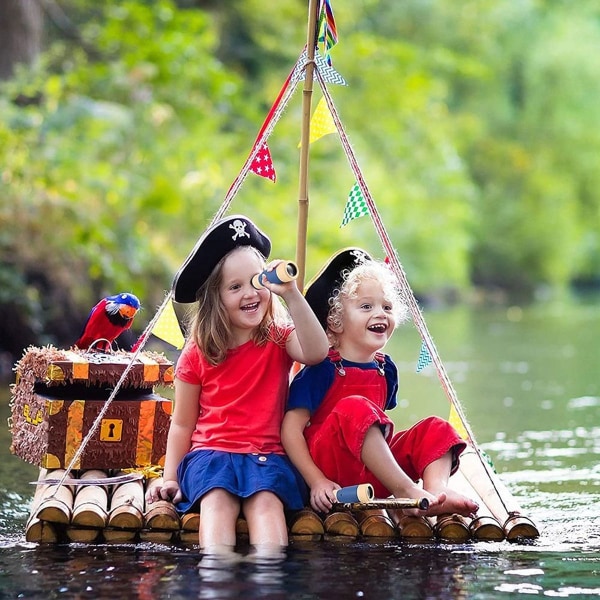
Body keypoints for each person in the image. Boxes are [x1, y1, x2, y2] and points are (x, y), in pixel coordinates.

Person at [146, 214, 329, 558]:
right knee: (217, 501)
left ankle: (268, 576)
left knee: (267, 505)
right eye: (235, 287)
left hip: (267, 456)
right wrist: (170, 476)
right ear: (215, 298)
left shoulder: (278, 335)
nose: (250, 293)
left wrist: (291, 295)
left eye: (257, 282)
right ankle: (217, 573)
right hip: (211, 454)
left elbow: (317, 353)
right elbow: (182, 423)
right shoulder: (199, 350)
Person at [281, 247, 479, 518]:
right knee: (356, 408)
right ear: (336, 321)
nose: (380, 314)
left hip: (370, 473)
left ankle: (435, 494)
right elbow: (290, 432)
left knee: (437, 428)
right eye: (366, 306)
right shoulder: (321, 368)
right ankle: (407, 490)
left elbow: (377, 435)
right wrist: (316, 481)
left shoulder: (385, 369)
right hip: (331, 472)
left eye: (387, 307)